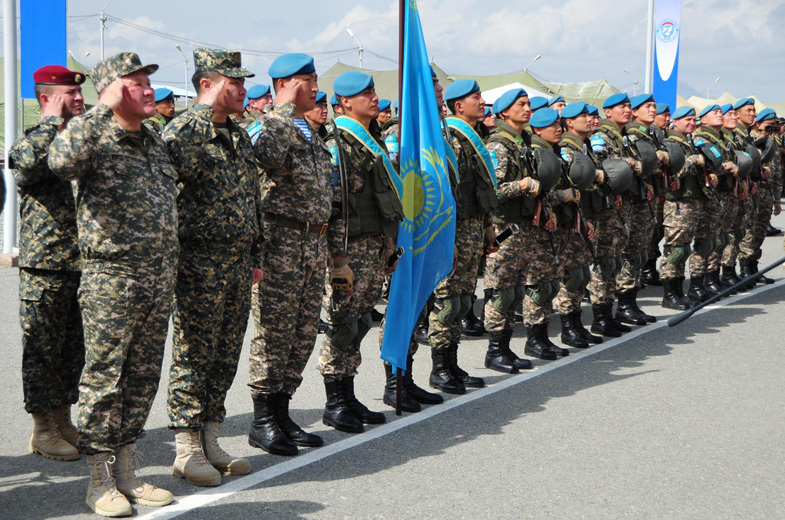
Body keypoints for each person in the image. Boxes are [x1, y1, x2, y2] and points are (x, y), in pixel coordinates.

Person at [48, 52, 178, 517]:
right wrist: (101, 106)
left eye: (148, 82)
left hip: (158, 276)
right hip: (113, 278)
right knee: (105, 378)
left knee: (142, 376)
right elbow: (59, 163)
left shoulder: (155, 140)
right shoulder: (91, 135)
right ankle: (98, 480)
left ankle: (127, 470)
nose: (148, 90)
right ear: (114, 90)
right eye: (137, 83)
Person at [162, 48, 263, 487]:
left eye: (243, 83)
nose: (242, 90)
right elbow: (164, 202)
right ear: (207, 84)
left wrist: (256, 256)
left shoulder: (237, 135)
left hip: (238, 263)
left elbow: (250, 200)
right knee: (193, 354)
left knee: (225, 353)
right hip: (198, 263)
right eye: (233, 82)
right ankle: (186, 448)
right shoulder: (181, 132)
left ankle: (210, 438)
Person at [249, 53, 337, 457]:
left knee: (302, 333)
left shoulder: (311, 131)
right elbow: (264, 158)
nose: (317, 88)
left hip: (312, 244)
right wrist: (283, 106)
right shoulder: (270, 124)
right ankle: (262, 420)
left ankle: (282, 413)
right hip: (280, 245)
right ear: (286, 83)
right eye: (308, 80)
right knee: (274, 333)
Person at [318, 71, 403, 432]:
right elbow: (333, 207)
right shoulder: (338, 143)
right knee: (341, 325)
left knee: (359, 323)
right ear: (344, 103)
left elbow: (382, 198)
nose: (374, 96)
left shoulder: (374, 139)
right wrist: (338, 260)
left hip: (372, 245)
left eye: (373, 90)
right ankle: (334, 402)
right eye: (364, 93)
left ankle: (348, 395)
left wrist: (387, 245)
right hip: (348, 249)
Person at [9, 65, 86, 463]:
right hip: (47, 264)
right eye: (68, 93)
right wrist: (50, 121)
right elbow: (22, 163)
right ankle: (41, 429)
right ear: (46, 98)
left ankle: (63, 419)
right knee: (42, 350)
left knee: (74, 349)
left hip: (82, 263)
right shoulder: (34, 141)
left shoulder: (78, 138)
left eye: (77, 92)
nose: (78, 98)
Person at [429, 79, 496, 392]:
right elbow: (445, 191)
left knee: (462, 300)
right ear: (459, 106)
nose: (482, 102)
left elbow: (477, 190)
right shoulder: (451, 138)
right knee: (447, 301)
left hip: (471, 228)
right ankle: (439, 368)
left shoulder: (471, 137)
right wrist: (448, 238)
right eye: (476, 97)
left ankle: (452, 364)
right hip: (453, 232)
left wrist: (486, 228)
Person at [482, 88, 550, 370]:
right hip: (504, 228)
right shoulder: (498, 145)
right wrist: (520, 186)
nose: (527, 109)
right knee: (501, 289)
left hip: (523, 226)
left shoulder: (522, 142)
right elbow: (492, 191)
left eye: (528, 105)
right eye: (520, 105)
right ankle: (495, 350)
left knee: (515, 290)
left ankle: (506, 348)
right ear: (503, 112)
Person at [556, 101, 606, 347]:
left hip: (586, 214)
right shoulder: (567, 148)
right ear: (569, 122)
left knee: (582, 272)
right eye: (582, 116)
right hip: (573, 217)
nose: (589, 119)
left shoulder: (585, 146)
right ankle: (568, 327)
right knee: (573, 274)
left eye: (589, 115)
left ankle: (577, 324)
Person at [589, 93, 639, 336]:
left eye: (630, 106)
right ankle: (600, 316)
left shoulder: (622, 136)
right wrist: (628, 162)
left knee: (614, 261)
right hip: (607, 209)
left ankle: (609, 313)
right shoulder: (602, 136)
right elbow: (602, 168)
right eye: (622, 106)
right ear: (608, 112)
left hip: (621, 207)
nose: (628, 110)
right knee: (604, 262)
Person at [659, 106, 707, 309]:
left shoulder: (689, 143)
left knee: (685, 249)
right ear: (674, 122)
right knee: (675, 249)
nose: (692, 123)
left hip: (692, 201)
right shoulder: (670, 144)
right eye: (687, 119)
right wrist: (694, 161)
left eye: (694, 120)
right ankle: (669, 294)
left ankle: (678, 290)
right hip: (677, 203)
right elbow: (673, 171)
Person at [692, 104, 740, 298]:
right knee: (708, 240)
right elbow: (712, 165)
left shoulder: (721, 139)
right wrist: (727, 167)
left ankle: (712, 278)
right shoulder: (702, 140)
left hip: (723, 194)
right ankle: (700, 282)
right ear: (703, 120)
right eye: (716, 113)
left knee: (719, 239)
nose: (720, 115)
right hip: (710, 196)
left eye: (722, 113)